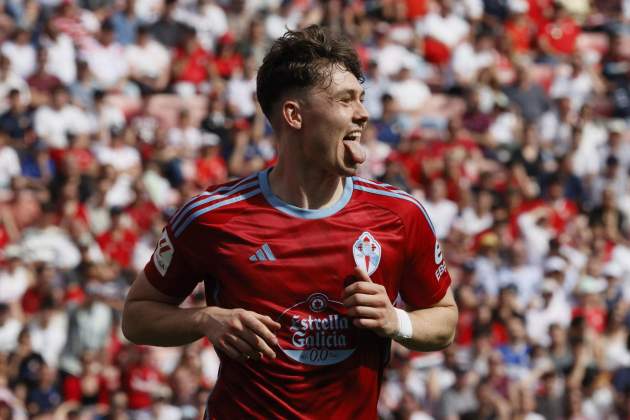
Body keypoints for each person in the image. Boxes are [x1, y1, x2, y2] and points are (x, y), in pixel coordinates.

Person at [122, 25, 458, 419]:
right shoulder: (212, 216)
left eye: (361, 99)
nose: (363, 113)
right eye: (345, 100)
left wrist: (396, 320)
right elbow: (137, 316)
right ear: (295, 115)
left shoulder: (400, 216)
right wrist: (204, 318)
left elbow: (444, 319)